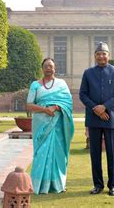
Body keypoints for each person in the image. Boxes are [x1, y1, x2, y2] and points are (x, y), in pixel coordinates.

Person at [79, 42, 114, 196]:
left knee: (113, 154)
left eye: (104, 53)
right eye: (98, 54)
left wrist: (104, 107)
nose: (101, 56)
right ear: (95, 56)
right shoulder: (88, 73)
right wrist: (96, 109)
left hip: (111, 119)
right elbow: (83, 94)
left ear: (108, 55)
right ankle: (98, 185)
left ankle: (113, 185)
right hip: (94, 118)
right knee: (95, 154)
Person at [26, 58, 75, 194]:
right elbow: (29, 105)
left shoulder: (61, 84)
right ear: (42, 68)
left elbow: (68, 103)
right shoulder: (35, 85)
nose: (49, 68)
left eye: (51, 66)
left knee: (57, 153)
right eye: (46, 66)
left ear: (55, 68)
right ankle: (38, 185)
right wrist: (45, 109)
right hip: (41, 124)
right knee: (40, 153)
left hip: (58, 124)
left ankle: (57, 185)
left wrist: (56, 106)